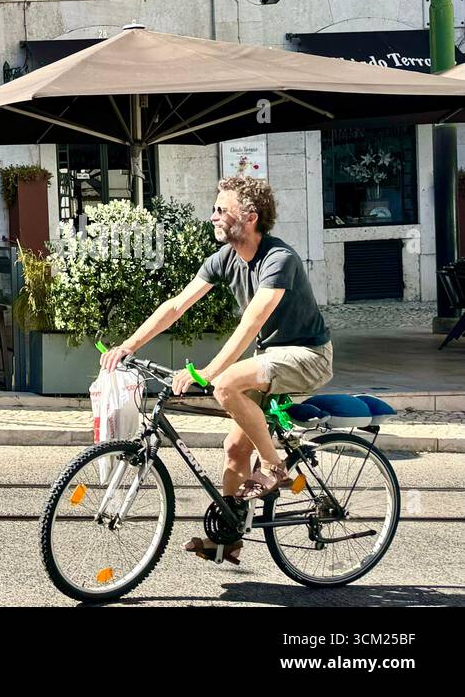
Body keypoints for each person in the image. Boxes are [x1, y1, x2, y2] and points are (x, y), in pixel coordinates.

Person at [101, 175, 333, 566]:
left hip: (307, 356)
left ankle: (274, 466)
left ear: (249, 217)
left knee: (225, 385)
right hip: (269, 360)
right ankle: (229, 541)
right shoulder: (226, 259)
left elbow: (251, 325)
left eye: (221, 210)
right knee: (233, 449)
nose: (212, 216)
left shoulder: (279, 260)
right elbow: (176, 306)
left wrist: (207, 372)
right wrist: (129, 345)